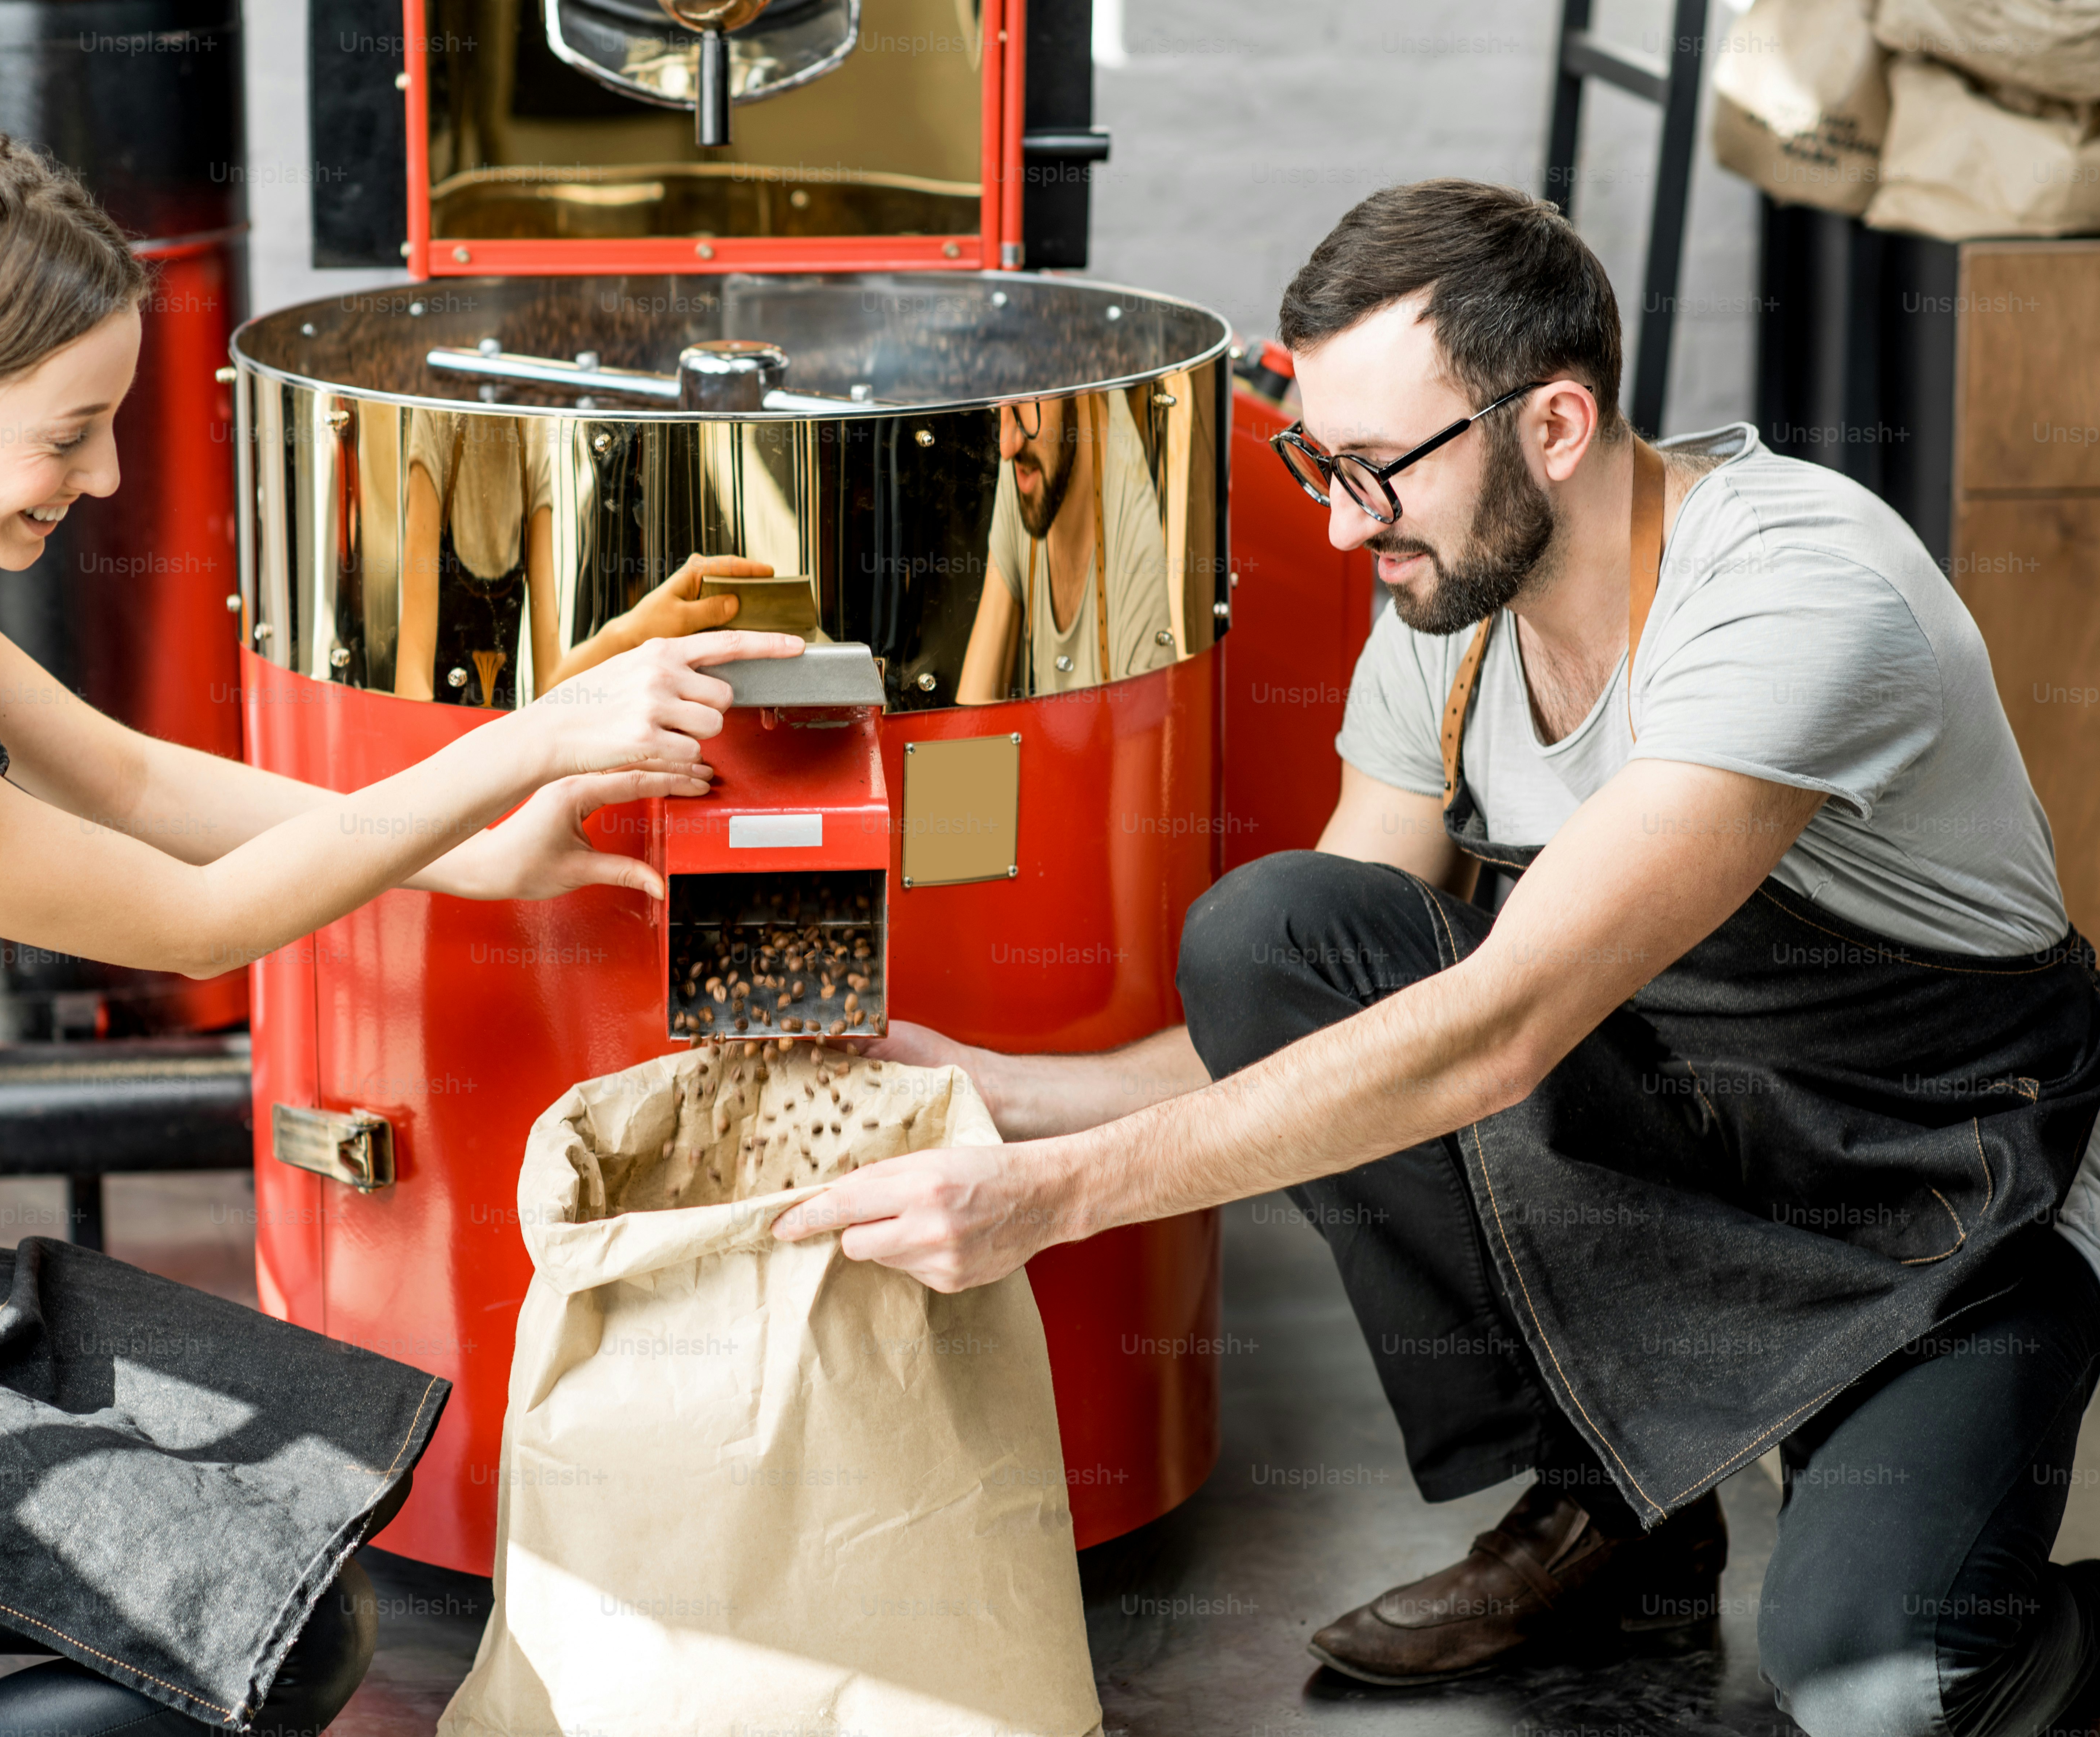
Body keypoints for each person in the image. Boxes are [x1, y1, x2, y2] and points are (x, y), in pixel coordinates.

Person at [0, 81, 795, 1737]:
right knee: (276, 1646)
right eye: (66, 432)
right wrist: (527, 743)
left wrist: (486, 844)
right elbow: (195, 925)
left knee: (291, 1536)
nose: (107, 476)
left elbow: (125, 780)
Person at [782, 179, 2100, 1737]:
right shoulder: (1444, 615)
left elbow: (1491, 1034)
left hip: (1939, 1216)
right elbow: (1305, 1002)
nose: (1339, 525)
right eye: (1312, 463)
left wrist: (1049, 1206)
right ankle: (1614, 1515)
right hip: (1681, 1160)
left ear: (1552, 424)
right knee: (1274, 930)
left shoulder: (1798, 597)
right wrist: (1015, 1097)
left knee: (1880, 1690)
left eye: (1370, 471)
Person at [398, 407, 772, 707]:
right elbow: (411, 680)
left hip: (502, 741)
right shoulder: (438, 418)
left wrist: (640, 630)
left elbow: (550, 685)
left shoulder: (529, 436)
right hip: (438, 744)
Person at [956, 389, 1175, 702]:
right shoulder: (1028, 462)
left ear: (1083, 377)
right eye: (999, 397)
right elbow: (973, 720)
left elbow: (1139, 744)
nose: (1006, 446)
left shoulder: (1138, 522)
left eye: (1023, 399)